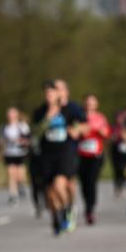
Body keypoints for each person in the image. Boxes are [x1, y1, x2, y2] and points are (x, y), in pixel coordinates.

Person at [32, 80, 82, 236]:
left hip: (64, 153)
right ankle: (57, 217)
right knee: (50, 193)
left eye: (51, 92)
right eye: (46, 93)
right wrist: (48, 117)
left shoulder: (68, 110)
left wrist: (76, 130)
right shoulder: (40, 112)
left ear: (57, 94)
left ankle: (67, 209)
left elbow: (82, 125)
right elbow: (35, 133)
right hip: (46, 155)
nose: (49, 95)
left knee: (59, 184)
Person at [77, 94, 111, 225]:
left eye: (92, 103)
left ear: (96, 105)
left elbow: (107, 133)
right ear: (84, 104)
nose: (89, 105)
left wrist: (101, 131)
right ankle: (87, 204)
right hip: (80, 154)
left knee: (91, 181)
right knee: (84, 183)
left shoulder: (100, 118)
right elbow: (75, 132)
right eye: (87, 102)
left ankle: (90, 209)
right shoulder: (79, 117)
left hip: (96, 155)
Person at [54, 79, 85, 214]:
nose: (56, 92)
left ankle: (70, 206)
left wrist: (75, 129)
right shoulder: (48, 109)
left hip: (69, 150)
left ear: (66, 92)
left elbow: (84, 125)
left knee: (69, 184)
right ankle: (64, 209)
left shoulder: (74, 108)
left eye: (59, 89)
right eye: (54, 89)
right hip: (51, 152)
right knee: (57, 185)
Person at [0, 107, 30, 205]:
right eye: (9, 114)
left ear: (17, 115)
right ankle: (13, 195)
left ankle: (21, 186)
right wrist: (4, 145)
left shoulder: (22, 126)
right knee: (11, 174)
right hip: (9, 153)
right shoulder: (4, 127)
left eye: (12, 114)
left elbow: (28, 139)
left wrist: (21, 141)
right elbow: (0, 140)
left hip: (21, 153)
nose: (10, 116)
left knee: (20, 176)